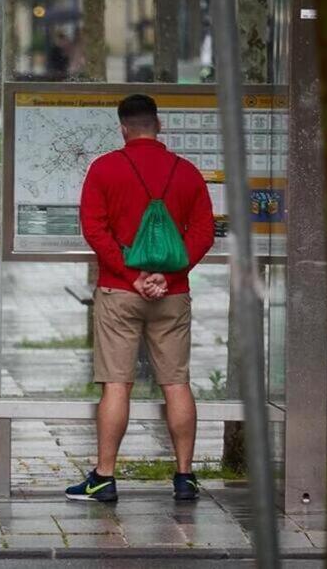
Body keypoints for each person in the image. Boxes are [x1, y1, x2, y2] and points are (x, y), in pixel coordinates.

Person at [67, 94, 215, 503]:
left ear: (123, 128)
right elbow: (203, 231)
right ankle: (184, 476)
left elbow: (94, 229)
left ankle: (104, 477)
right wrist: (168, 277)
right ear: (159, 125)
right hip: (173, 294)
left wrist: (132, 277)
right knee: (177, 383)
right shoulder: (186, 173)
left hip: (118, 291)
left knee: (116, 385)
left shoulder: (105, 169)